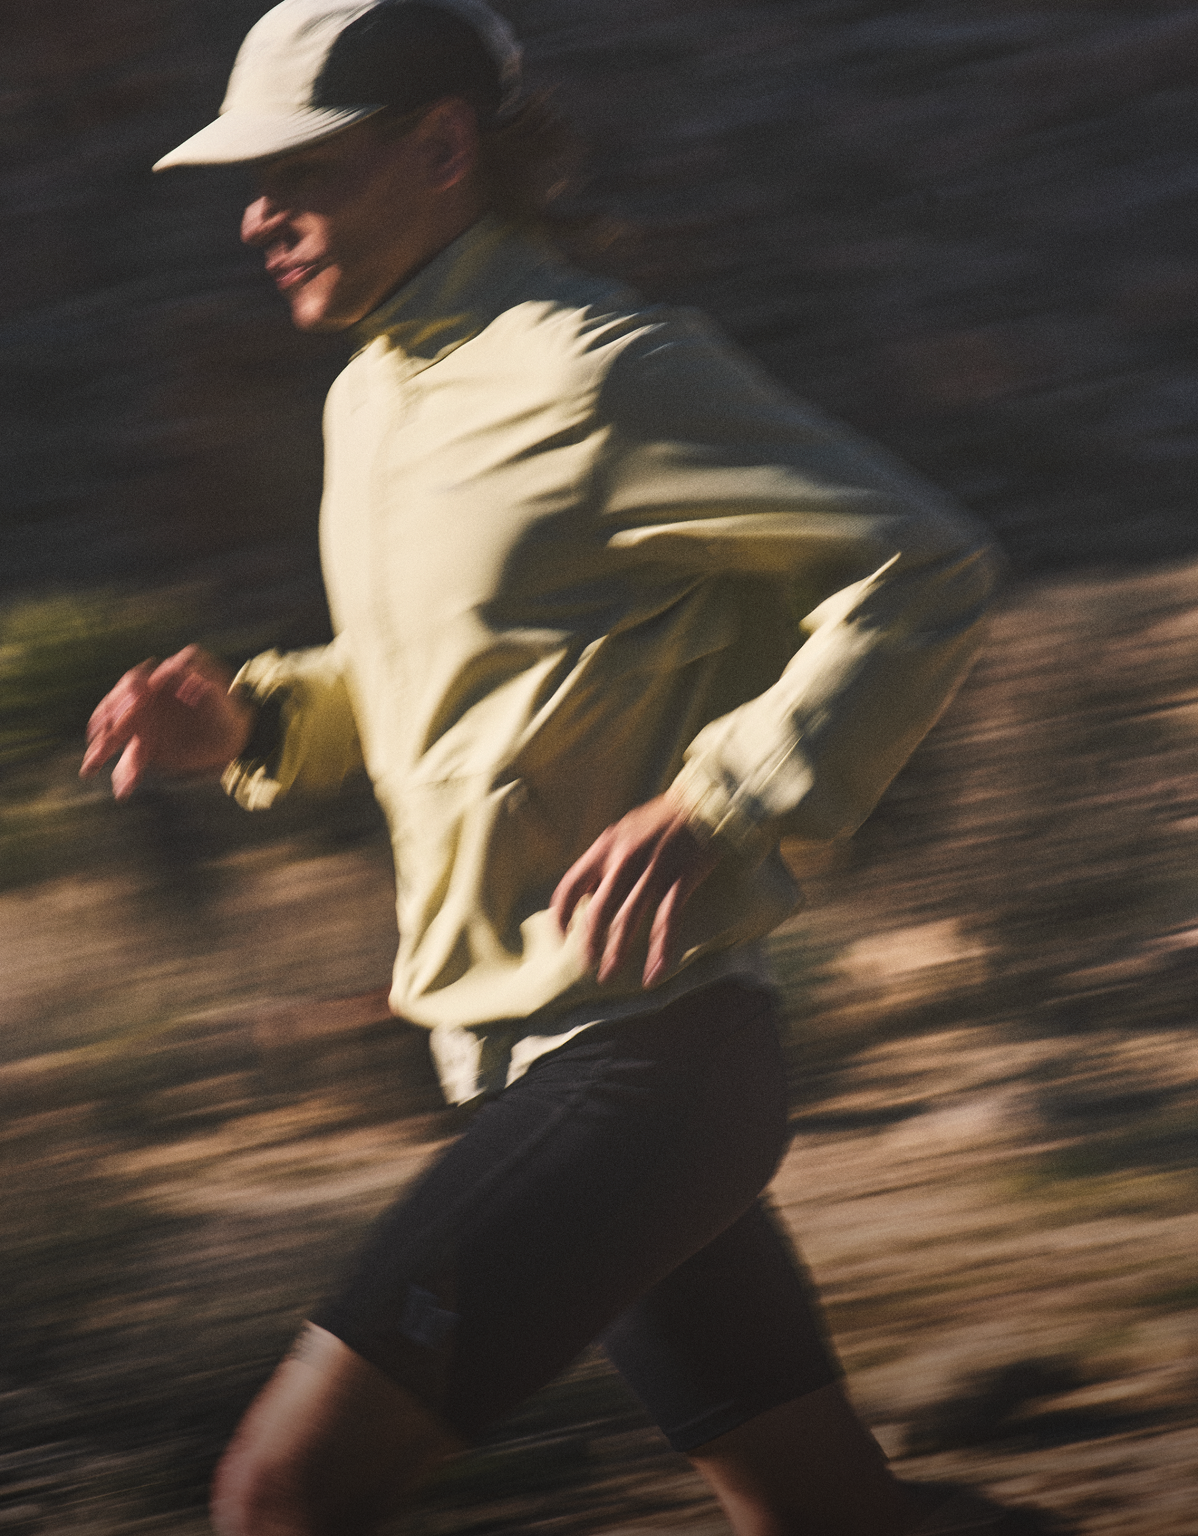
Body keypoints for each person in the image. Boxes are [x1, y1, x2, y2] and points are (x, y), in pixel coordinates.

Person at [83, 3, 1036, 1533]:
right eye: (252, 182)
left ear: (441, 148)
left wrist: (726, 797)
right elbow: (425, 679)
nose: (257, 215)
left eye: (300, 171)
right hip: (525, 1064)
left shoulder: (601, 369)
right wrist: (253, 726)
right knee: (833, 1516)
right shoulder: (373, 396)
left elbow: (925, 567)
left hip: (647, 1063)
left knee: (280, 1495)